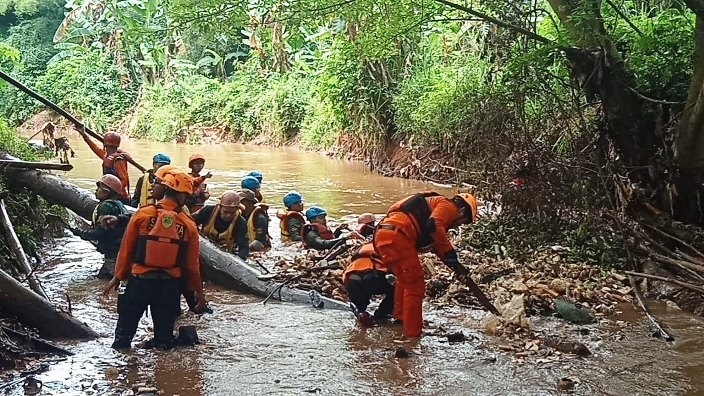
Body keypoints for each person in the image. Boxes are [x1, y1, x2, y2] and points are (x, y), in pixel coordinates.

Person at [103, 171, 206, 350]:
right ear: (181, 195)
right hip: (168, 286)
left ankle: (120, 370)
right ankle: (163, 374)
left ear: (165, 190)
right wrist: (199, 293)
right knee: (164, 341)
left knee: (123, 337)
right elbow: (192, 265)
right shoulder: (188, 224)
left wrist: (117, 277)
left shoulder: (142, 215)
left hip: (139, 282)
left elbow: (126, 249)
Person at [372, 192, 478, 339]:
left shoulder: (432, 207)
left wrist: (452, 263)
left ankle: (401, 318)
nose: (458, 225)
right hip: (398, 236)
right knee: (415, 286)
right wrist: (450, 253)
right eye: (463, 221)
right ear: (462, 211)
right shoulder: (449, 206)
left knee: (405, 280)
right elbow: (433, 224)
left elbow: (436, 244)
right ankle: (413, 334)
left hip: (384, 235)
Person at [71, 174, 128, 278]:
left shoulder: (106, 207)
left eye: (99, 188)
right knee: (102, 278)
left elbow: (100, 232)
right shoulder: (118, 204)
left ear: (107, 192)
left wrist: (81, 233)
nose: (96, 190)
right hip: (119, 247)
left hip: (113, 250)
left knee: (117, 279)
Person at [343, 243, 394, 327]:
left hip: (352, 279)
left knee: (360, 308)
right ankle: (382, 315)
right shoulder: (386, 248)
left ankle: (362, 314)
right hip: (373, 276)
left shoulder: (363, 248)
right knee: (397, 289)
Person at [192, 191, 248, 260]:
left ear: (237, 209)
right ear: (220, 207)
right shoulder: (208, 211)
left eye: (232, 213)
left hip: (223, 257)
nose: (228, 215)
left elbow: (244, 247)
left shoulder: (241, 222)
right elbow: (191, 224)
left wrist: (241, 258)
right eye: (226, 212)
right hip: (202, 249)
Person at [80, 131, 131, 202]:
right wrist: (85, 136)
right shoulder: (106, 156)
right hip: (108, 193)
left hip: (118, 197)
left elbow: (124, 180)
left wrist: (114, 194)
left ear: (105, 145)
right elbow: (96, 149)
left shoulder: (118, 160)